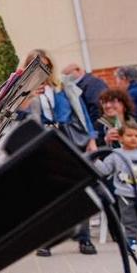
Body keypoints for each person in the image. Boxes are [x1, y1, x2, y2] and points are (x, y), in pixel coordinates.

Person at [26, 49, 98, 257]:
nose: (41, 68)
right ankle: (47, 241)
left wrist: (91, 138)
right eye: (36, 64)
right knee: (47, 195)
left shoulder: (62, 86)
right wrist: (29, 97)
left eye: (45, 64)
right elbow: (17, 118)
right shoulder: (23, 91)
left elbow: (81, 112)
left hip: (68, 140)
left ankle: (84, 238)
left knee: (79, 188)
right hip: (41, 144)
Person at [96, 122, 137, 254]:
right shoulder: (115, 154)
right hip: (124, 195)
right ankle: (131, 241)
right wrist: (95, 159)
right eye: (129, 135)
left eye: (136, 136)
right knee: (129, 221)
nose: (133, 138)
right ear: (120, 138)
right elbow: (105, 170)